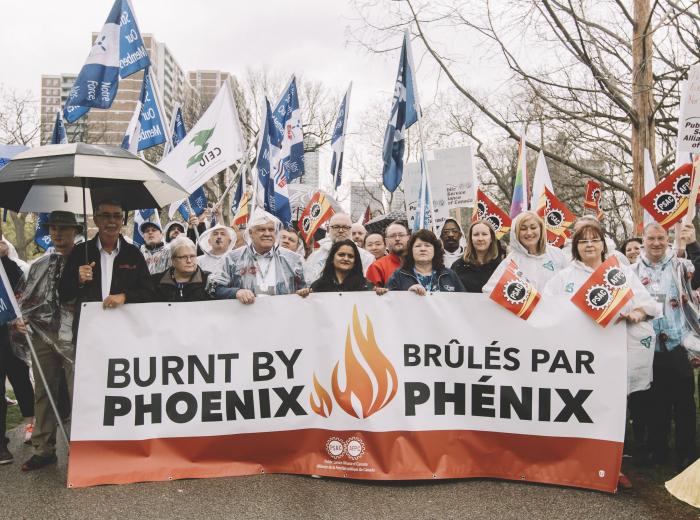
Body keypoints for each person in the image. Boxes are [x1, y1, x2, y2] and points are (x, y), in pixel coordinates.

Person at [544, 221, 662, 486]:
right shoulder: (564, 277)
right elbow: (545, 308)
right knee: (580, 408)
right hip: (579, 359)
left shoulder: (619, 273)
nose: (589, 245)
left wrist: (637, 313)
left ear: (602, 243)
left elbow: (648, 304)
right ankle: (575, 463)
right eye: (583, 241)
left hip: (613, 356)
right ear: (575, 246)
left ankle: (610, 466)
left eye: (594, 239)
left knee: (613, 410)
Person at [12, 211, 82, 470]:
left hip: (75, 337)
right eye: (53, 228)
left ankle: (85, 443)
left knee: (80, 391)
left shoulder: (85, 260)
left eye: (63, 228)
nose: (57, 233)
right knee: (44, 392)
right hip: (43, 336)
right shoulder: (39, 265)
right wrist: (20, 319)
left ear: (74, 231)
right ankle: (43, 448)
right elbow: (26, 301)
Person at [631, 222, 697, 470]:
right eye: (651, 239)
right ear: (643, 240)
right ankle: (658, 450)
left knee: (684, 404)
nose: (656, 243)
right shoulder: (633, 271)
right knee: (655, 404)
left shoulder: (680, 265)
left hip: (677, 345)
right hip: (649, 349)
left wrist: (691, 241)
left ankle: (686, 452)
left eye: (661, 238)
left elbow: (696, 271)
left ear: (668, 239)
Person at [59, 199, 153, 336]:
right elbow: (63, 294)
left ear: (122, 220)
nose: (111, 221)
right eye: (106, 215)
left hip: (125, 331)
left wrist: (125, 296)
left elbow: (149, 292)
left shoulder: (134, 254)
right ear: (96, 219)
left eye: (116, 216)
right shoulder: (80, 252)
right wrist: (77, 280)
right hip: (88, 332)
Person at [207, 208, 305, 304]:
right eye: (261, 229)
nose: (267, 234)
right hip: (245, 317)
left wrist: (303, 292)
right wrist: (236, 292)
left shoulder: (293, 259)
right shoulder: (232, 258)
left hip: (282, 316)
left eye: (271, 230)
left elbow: (307, 288)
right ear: (250, 233)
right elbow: (214, 287)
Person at [483, 211, 568, 293]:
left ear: (541, 229)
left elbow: (572, 282)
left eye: (533, 227)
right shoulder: (511, 261)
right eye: (523, 229)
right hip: (525, 307)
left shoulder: (558, 255)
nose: (529, 232)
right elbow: (489, 290)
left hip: (554, 307)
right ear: (516, 233)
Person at [0, 241, 26, 465]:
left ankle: (32, 422)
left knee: (19, 375)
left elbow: (17, 288)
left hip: (7, 330)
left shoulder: (9, 265)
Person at [386, 229, 465, 294]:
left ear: (435, 250)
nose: (423, 249)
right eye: (418, 246)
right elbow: (389, 304)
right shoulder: (398, 276)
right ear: (411, 251)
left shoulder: (449, 275)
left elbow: (463, 302)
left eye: (427, 245)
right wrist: (407, 295)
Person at [297, 239, 387, 295]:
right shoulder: (318, 286)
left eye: (350, 256)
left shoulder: (366, 286)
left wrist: (380, 293)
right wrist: (305, 295)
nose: (346, 258)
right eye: (341, 255)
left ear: (355, 261)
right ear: (332, 258)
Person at [304, 213, 375, 283]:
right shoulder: (315, 257)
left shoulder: (367, 257)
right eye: (336, 227)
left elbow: (368, 285)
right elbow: (309, 282)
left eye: (345, 227)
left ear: (350, 230)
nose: (341, 231)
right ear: (329, 229)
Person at [150, 236, 212, 302]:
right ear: (173, 260)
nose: (189, 261)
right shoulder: (155, 282)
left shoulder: (209, 280)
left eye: (192, 256)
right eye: (183, 257)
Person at [451, 220, 503, 293]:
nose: (480, 239)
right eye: (476, 234)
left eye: (484, 234)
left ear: (491, 238)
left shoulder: (501, 267)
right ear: (470, 239)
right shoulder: (458, 266)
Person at [366, 221, 410, 287]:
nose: (397, 239)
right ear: (386, 241)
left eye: (401, 235)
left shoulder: (419, 263)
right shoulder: (377, 267)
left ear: (408, 238)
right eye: (392, 236)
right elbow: (372, 295)